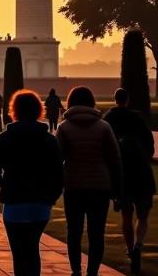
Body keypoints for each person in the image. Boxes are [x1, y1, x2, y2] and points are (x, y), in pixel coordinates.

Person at [0, 89, 63, 275]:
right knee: (33, 250)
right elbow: (59, 174)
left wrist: (4, 184)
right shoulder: (49, 140)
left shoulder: (5, 138)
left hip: (14, 203)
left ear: (15, 110)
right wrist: (51, 196)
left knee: (19, 254)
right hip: (40, 204)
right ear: (38, 110)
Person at [57, 86, 122, 276]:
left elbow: (57, 159)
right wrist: (117, 192)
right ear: (91, 102)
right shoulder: (103, 127)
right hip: (100, 187)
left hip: (74, 186)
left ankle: (76, 270)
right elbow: (115, 160)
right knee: (96, 234)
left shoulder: (64, 127)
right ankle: (92, 272)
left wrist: (55, 187)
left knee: (74, 232)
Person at [103, 88, 155, 274]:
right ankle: (138, 245)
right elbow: (150, 144)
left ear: (114, 99)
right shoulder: (137, 119)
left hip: (123, 175)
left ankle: (130, 246)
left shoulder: (109, 119)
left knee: (126, 214)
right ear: (128, 99)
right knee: (142, 216)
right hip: (142, 172)